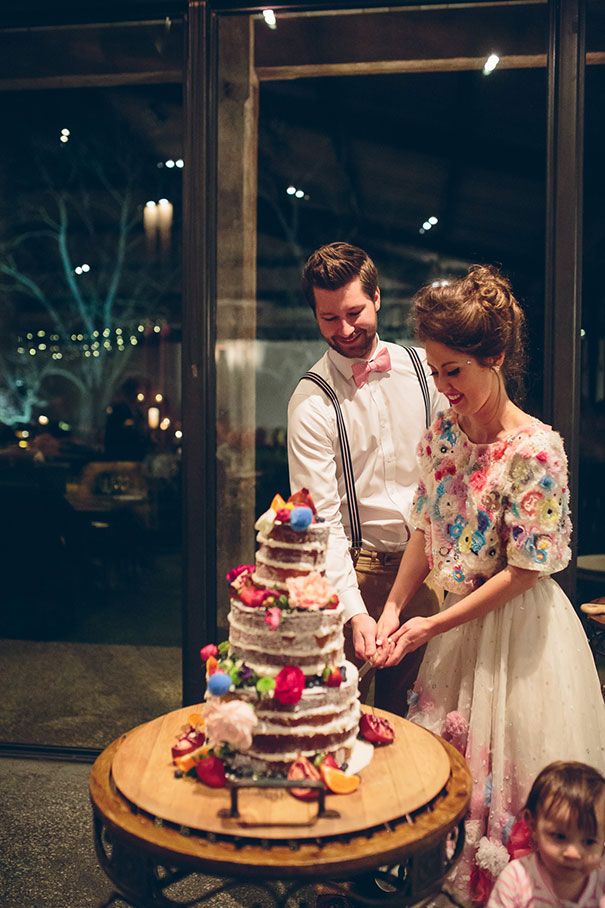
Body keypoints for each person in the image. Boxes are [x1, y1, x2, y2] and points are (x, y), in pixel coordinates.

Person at [372, 264, 605, 900]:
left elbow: (527, 572)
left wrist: (430, 623)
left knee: (511, 785)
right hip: (454, 628)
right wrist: (394, 609)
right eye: (435, 369)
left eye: (456, 371)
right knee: (448, 780)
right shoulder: (444, 433)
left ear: (495, 357)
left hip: (518, 637)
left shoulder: (535, 450)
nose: (444, 386)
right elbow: (424, 528)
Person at [287, 241, 445, 715]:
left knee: (418, 721)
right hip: (351, 573)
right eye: (329, 318)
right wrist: (355, 612)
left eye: (354, 311)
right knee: (338, 721)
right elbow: (322, 522)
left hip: (429, 573)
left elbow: (449, 480)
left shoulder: (426, 372)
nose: (345, 329)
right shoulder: (310, 402)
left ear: (377, 298)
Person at [487, 762, 605, 908]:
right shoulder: (515, 880)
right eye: (560, 836)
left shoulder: (601, 885)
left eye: (589, 841)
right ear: (533, 825)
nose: (573, 853)